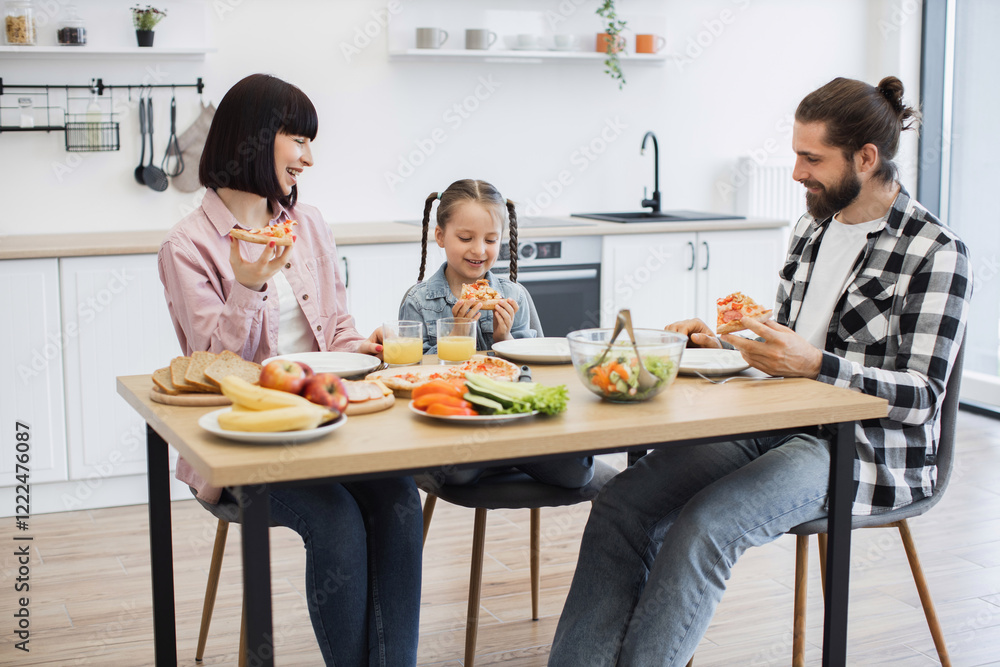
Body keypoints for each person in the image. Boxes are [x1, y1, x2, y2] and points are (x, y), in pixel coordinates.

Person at [549, 76, 973, 666]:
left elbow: (923, 395)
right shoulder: (813, 228)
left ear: (866, 158)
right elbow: (794, 341)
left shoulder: (936, 252)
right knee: (623, 503)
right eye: (797, 155)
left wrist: (818, 365)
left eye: (811, 158)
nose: (797, 172)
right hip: (777, 418)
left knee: (706, 526)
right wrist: (721, 341)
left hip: (859, 447)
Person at [157, 73, 422, 666]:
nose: (308, 157)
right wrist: (247, 286)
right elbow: (213, 372)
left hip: (332, 419)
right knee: (337, 520)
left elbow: (336, 331)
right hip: (248, 441)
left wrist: (368, 346)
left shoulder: (310, 225)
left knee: (399, 498)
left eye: (310, 142)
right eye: (297, 139)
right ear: (253, 139)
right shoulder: (188, 246)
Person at [400, 179, 594, 489]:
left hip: (515, 418)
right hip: (459, 419)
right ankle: (502, 453)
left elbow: (536, 370)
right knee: (455, 474)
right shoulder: (418, 300)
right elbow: (410, 376)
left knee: (577, 473)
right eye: (466, 238)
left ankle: (508, 450)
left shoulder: (513, 294)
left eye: (491, 240)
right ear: (440, 235)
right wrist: (453, 333)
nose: (479, 250)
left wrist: (505, 340)